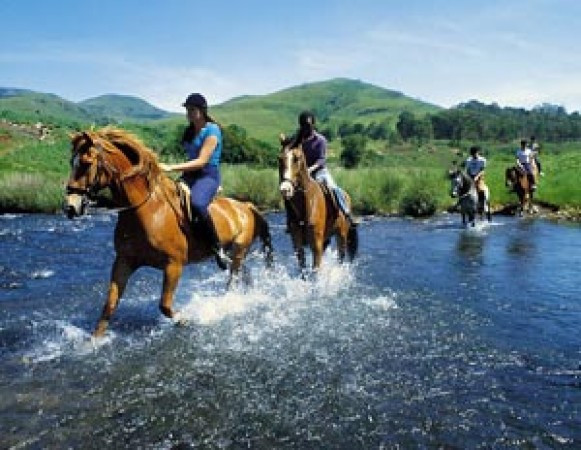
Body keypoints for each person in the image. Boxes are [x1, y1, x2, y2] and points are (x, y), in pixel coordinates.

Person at [159, 93, 229, 270]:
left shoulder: (213, 130)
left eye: (192, 110)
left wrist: (170, 168)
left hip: (207, 175)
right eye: (187, 110)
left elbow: (202, 161)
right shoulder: (189, 131)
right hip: (189, 175)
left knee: (197, 203)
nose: (189, 113)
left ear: (202, 111)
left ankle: (217, 247)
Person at [290, 110, 356, 225]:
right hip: (301, 174)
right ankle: (291, 221)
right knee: (288, 191)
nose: (307, 128)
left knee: (333, 188)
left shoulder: (320, 140)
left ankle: (346, 213)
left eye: (309, 125)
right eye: (304, 125)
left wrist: (310, 169)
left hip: (319, 171)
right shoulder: (296, 141)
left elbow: (321, 160)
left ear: (313, 124)